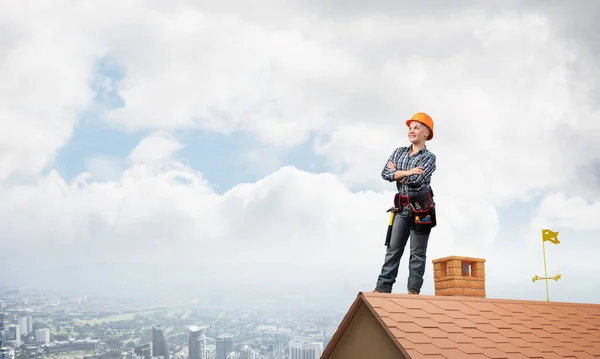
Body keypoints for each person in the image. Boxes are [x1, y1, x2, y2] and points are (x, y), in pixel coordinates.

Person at [374, 112, 437, 295]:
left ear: (426, 133)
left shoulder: (430, 157)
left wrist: (399, 173)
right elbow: (385, 174)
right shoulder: (398, 152)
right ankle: (382, 288)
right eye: (410, 128)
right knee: (393, 249)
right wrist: (409, 172)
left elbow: (418, 179)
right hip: (401, 207)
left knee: (417, 252)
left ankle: (413, 290)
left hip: (422, 208)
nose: (412, 131)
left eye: (416, 128)